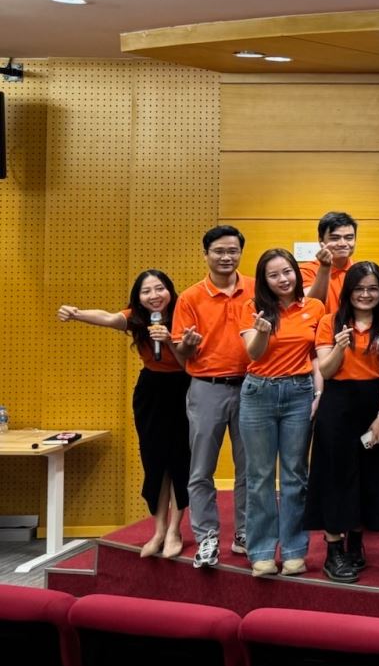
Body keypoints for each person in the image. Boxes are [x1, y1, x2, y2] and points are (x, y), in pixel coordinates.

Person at [58, 269, 190, 559]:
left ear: (170, 290)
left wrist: (169, 339)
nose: (154, 296)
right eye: (146, 291)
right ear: (138, 297)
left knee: (180, 460)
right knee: (155, 461)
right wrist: (76, 313)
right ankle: (159, 529)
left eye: (159, 288)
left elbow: (189, 362)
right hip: (151, 392)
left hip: (184, 389)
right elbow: (107, 317)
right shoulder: (137, 318)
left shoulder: (185, 313)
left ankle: (175, 530)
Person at [171, 224, 255, 568]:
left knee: (250, 467)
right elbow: (180, 351)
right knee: (201, 468)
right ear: (205, 254)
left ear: (240, 252)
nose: (226, 257)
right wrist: (187, 346)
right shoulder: (190, 297)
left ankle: (245, 532)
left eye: (233, 250)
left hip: (252, 387)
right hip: (207, 387)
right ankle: (207, 537)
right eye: (219, 251)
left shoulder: (255, 288)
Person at [306, 261, 379, 583]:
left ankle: (356, 543)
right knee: (335, 475)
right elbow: (326, 371)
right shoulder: (330, 322)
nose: (366, 295)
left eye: (373, 289)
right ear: (348, 291)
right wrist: (339, 348)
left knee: (368, 475)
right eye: (359, 288)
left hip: (373, 408)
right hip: (337, 407)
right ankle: (333, 549)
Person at [238, 250, 324, 576]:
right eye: (273, 275)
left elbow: (317, 356)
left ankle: (293, 551)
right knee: (259, 475)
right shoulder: (251, 307)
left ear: (296, 273)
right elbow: (254, 354)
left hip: (299, 393)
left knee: (295, 475)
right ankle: (261, 552)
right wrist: (262, 330)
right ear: (264, 280)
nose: (282, 279)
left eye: (287, 271)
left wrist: (318, 393)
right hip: (258, 392)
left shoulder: (314, 307)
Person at [300, 211, 359, 310]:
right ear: (320, 240)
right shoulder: (306, 270)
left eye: (349, 238)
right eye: (335, 238)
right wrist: (324, 267)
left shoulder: (360, 270)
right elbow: (311, 307)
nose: (343, 243)